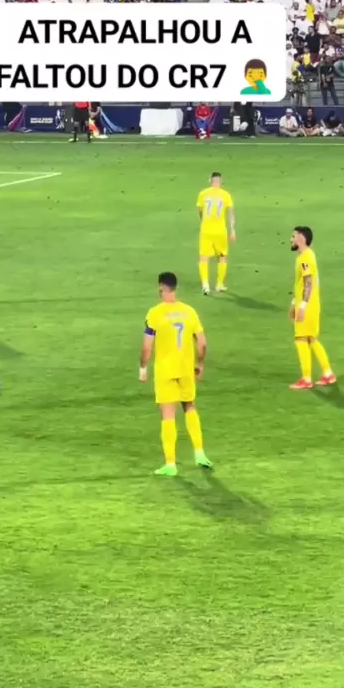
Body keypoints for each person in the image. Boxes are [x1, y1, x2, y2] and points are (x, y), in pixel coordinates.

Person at [139, 272, 212, 476]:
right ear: (176, 288)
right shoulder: (189, 312)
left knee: (168, 414)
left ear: (161, 288)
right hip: (186, 369)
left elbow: (147, 347)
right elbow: (202, 343)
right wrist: (199, 364)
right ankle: (200, 453)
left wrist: (143, 368)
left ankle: (170, 464)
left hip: (165, 370)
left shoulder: (155, 313)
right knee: (190, 407)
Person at [289, 226, 336, 390]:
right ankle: (328, 374)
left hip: (307, 305)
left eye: (293, 236)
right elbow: (301, 284)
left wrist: (302, 306)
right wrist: (294, 303)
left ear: (301, 238)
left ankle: (306, 378)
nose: (291, 239)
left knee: (301, 339)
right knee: (311, 339)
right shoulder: (307, 255)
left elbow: (308, 283)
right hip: (311, 303)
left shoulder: (304, 258)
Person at [196, 171, 235, 295]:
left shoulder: (203, 194)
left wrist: (204, 222)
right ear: (220, 182)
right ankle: (219, 284)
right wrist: (232, 230)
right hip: (220, 231)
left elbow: (200, 212)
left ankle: (205, 285)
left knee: (204, 257)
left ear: (210, 181)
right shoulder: (226, 195)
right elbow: (230, 214)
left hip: (206, 230)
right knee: (222, 257)